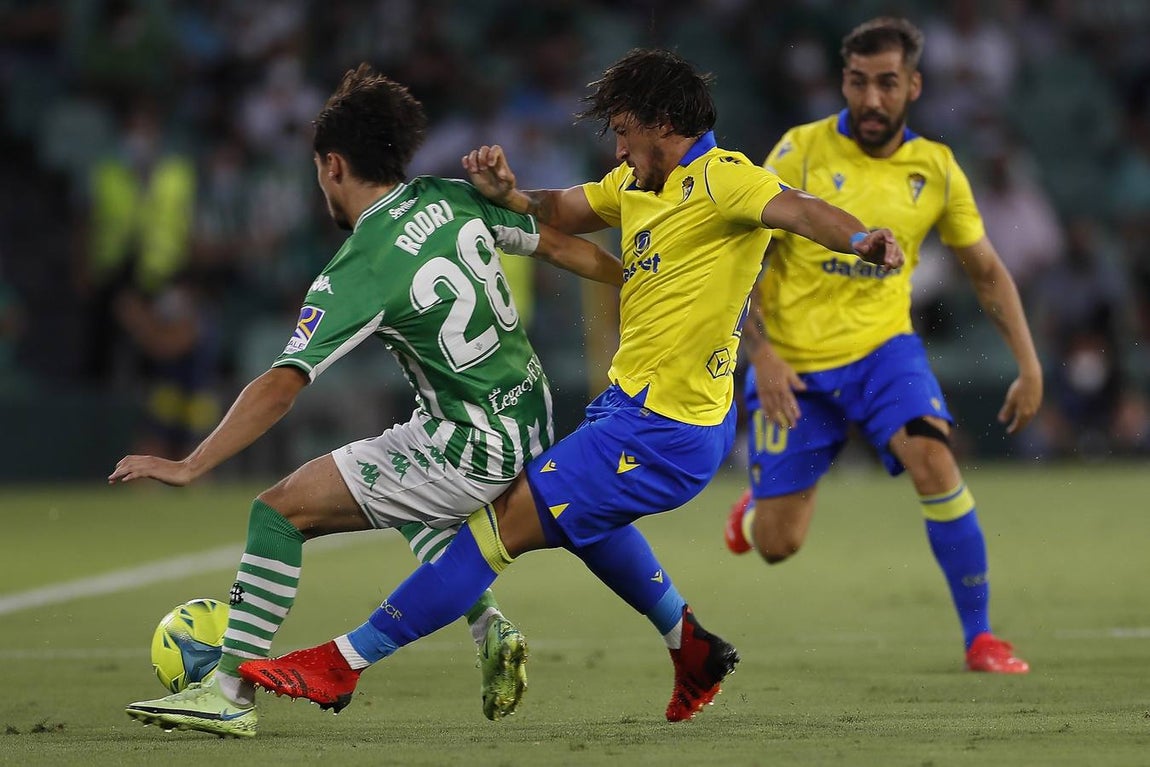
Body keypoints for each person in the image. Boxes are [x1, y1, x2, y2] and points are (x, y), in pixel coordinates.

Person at [236, 48, 904, 723]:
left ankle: (341, 663)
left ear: (663, 122)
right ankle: (691, 645)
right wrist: (510, 195)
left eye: (624, 132)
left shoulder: (724, 178)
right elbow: (560, 208)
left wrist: (861, 239)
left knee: (497, 529)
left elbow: (800, 210)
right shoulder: (637, 185)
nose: (618, 149)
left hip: (667, 431)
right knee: (586, 522)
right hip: (631, 410)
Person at [110, 63, 624, 738]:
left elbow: (283, 383)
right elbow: (563, 248)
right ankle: (488, 625)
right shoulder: (450, 196)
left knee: (278, 513)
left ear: (333, 165)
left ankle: (228, 691)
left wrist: (190, 464)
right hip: (527, 417)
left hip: (472, 445)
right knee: (392, 485)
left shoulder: (363, 263)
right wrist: (639, 282)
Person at [721, 17, 1042, 674]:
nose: (871, 99)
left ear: (914, 86)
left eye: (887, 83)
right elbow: (741, 259)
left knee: (935, 460)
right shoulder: (799, 152)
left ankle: (981, 638)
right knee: (778, 544)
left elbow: (986, 271)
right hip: (794, 365)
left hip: (883, 353)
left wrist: (1029, 364)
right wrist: (762, 354)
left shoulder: (937, 169)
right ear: (843, 81)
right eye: (858, 82)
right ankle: (752, 516)